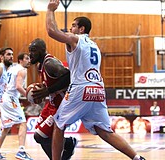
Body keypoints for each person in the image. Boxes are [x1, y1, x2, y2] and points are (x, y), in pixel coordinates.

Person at [46, 1, 146, 160]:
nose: (71, 29)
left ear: (81, 29)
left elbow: (52, 31)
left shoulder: (75, 39)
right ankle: (137, 157)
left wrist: (50, 10)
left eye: (73, 25)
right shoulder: (94, 46)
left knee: (59, 125)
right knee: (105, 131)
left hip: (81, 88)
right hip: (98, 89)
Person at [28, 38, 77, 160]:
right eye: (29, 51)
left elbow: (69, 77)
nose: (30, 54)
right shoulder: (41, 65)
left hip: (61, 104)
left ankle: (67, 147)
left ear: (42, 50)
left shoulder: (50, 63)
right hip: (51, 104)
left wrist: (47, 90)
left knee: (40, 136)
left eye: (33, 51)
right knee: (40, 135)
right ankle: (66, 146)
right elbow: (52, 83)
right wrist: (42, 88)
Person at [0, 53, 33, 160]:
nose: (29, 61)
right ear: (20, 60)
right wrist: (29, 97)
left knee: (6, 127)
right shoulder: (22, 70)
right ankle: (21, 151)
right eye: (27, 59)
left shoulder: (11, 68)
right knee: (23, 123)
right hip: (10, 98)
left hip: (3, 97)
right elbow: (18, 86)